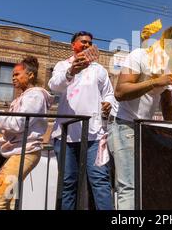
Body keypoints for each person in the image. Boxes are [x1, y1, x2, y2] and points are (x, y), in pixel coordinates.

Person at [109, 26, 172, 209]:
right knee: (129, 186)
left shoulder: (168, 68)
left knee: (144, 183)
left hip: (143, 129)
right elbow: (120, 92)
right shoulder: (138, 56)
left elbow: (167, 106)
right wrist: (155, 81)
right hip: (124, 124)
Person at [48, 31, 116, 210]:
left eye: (89, 43)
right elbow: (54, 86)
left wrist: (108, 102)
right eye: (82, 42)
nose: (86, 45)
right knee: (68, 183)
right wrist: (71, 72)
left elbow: (109, 93)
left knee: (100, 180)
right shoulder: (63, 65)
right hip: (65, 135)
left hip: (94, 134)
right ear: (73, 45)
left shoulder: (99, 69)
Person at [0, 56, 52, 210]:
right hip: (16, 153)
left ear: (30, 75)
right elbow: (10, 126)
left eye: (17, 74)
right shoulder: (21, 98)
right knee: (3, 200)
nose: (13, 78)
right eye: (12, 75)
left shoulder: (35, 95)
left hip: (25, 153)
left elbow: (19, 123)